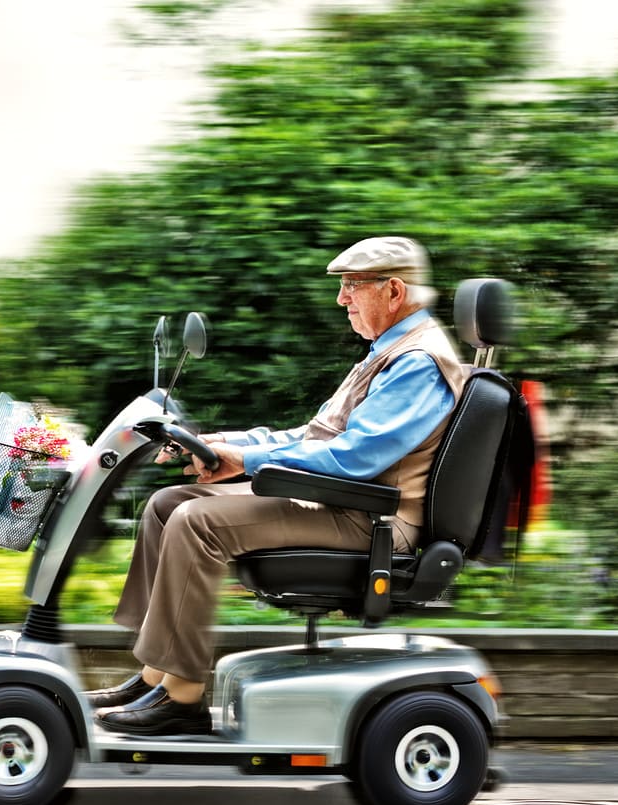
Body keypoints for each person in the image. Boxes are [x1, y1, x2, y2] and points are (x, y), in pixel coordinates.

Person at [89, 236, 470, 736]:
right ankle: (154, 676)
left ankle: (182, 697)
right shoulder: (390, 351)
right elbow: (312, 437)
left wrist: (245, 460)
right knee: (167, 504)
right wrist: (221, 443)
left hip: (372, 517)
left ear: (394, 290)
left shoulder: (416, 362)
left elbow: (355, 457)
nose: (342, 299)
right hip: (344, 502)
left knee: (196, 520)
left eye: (352, 286)